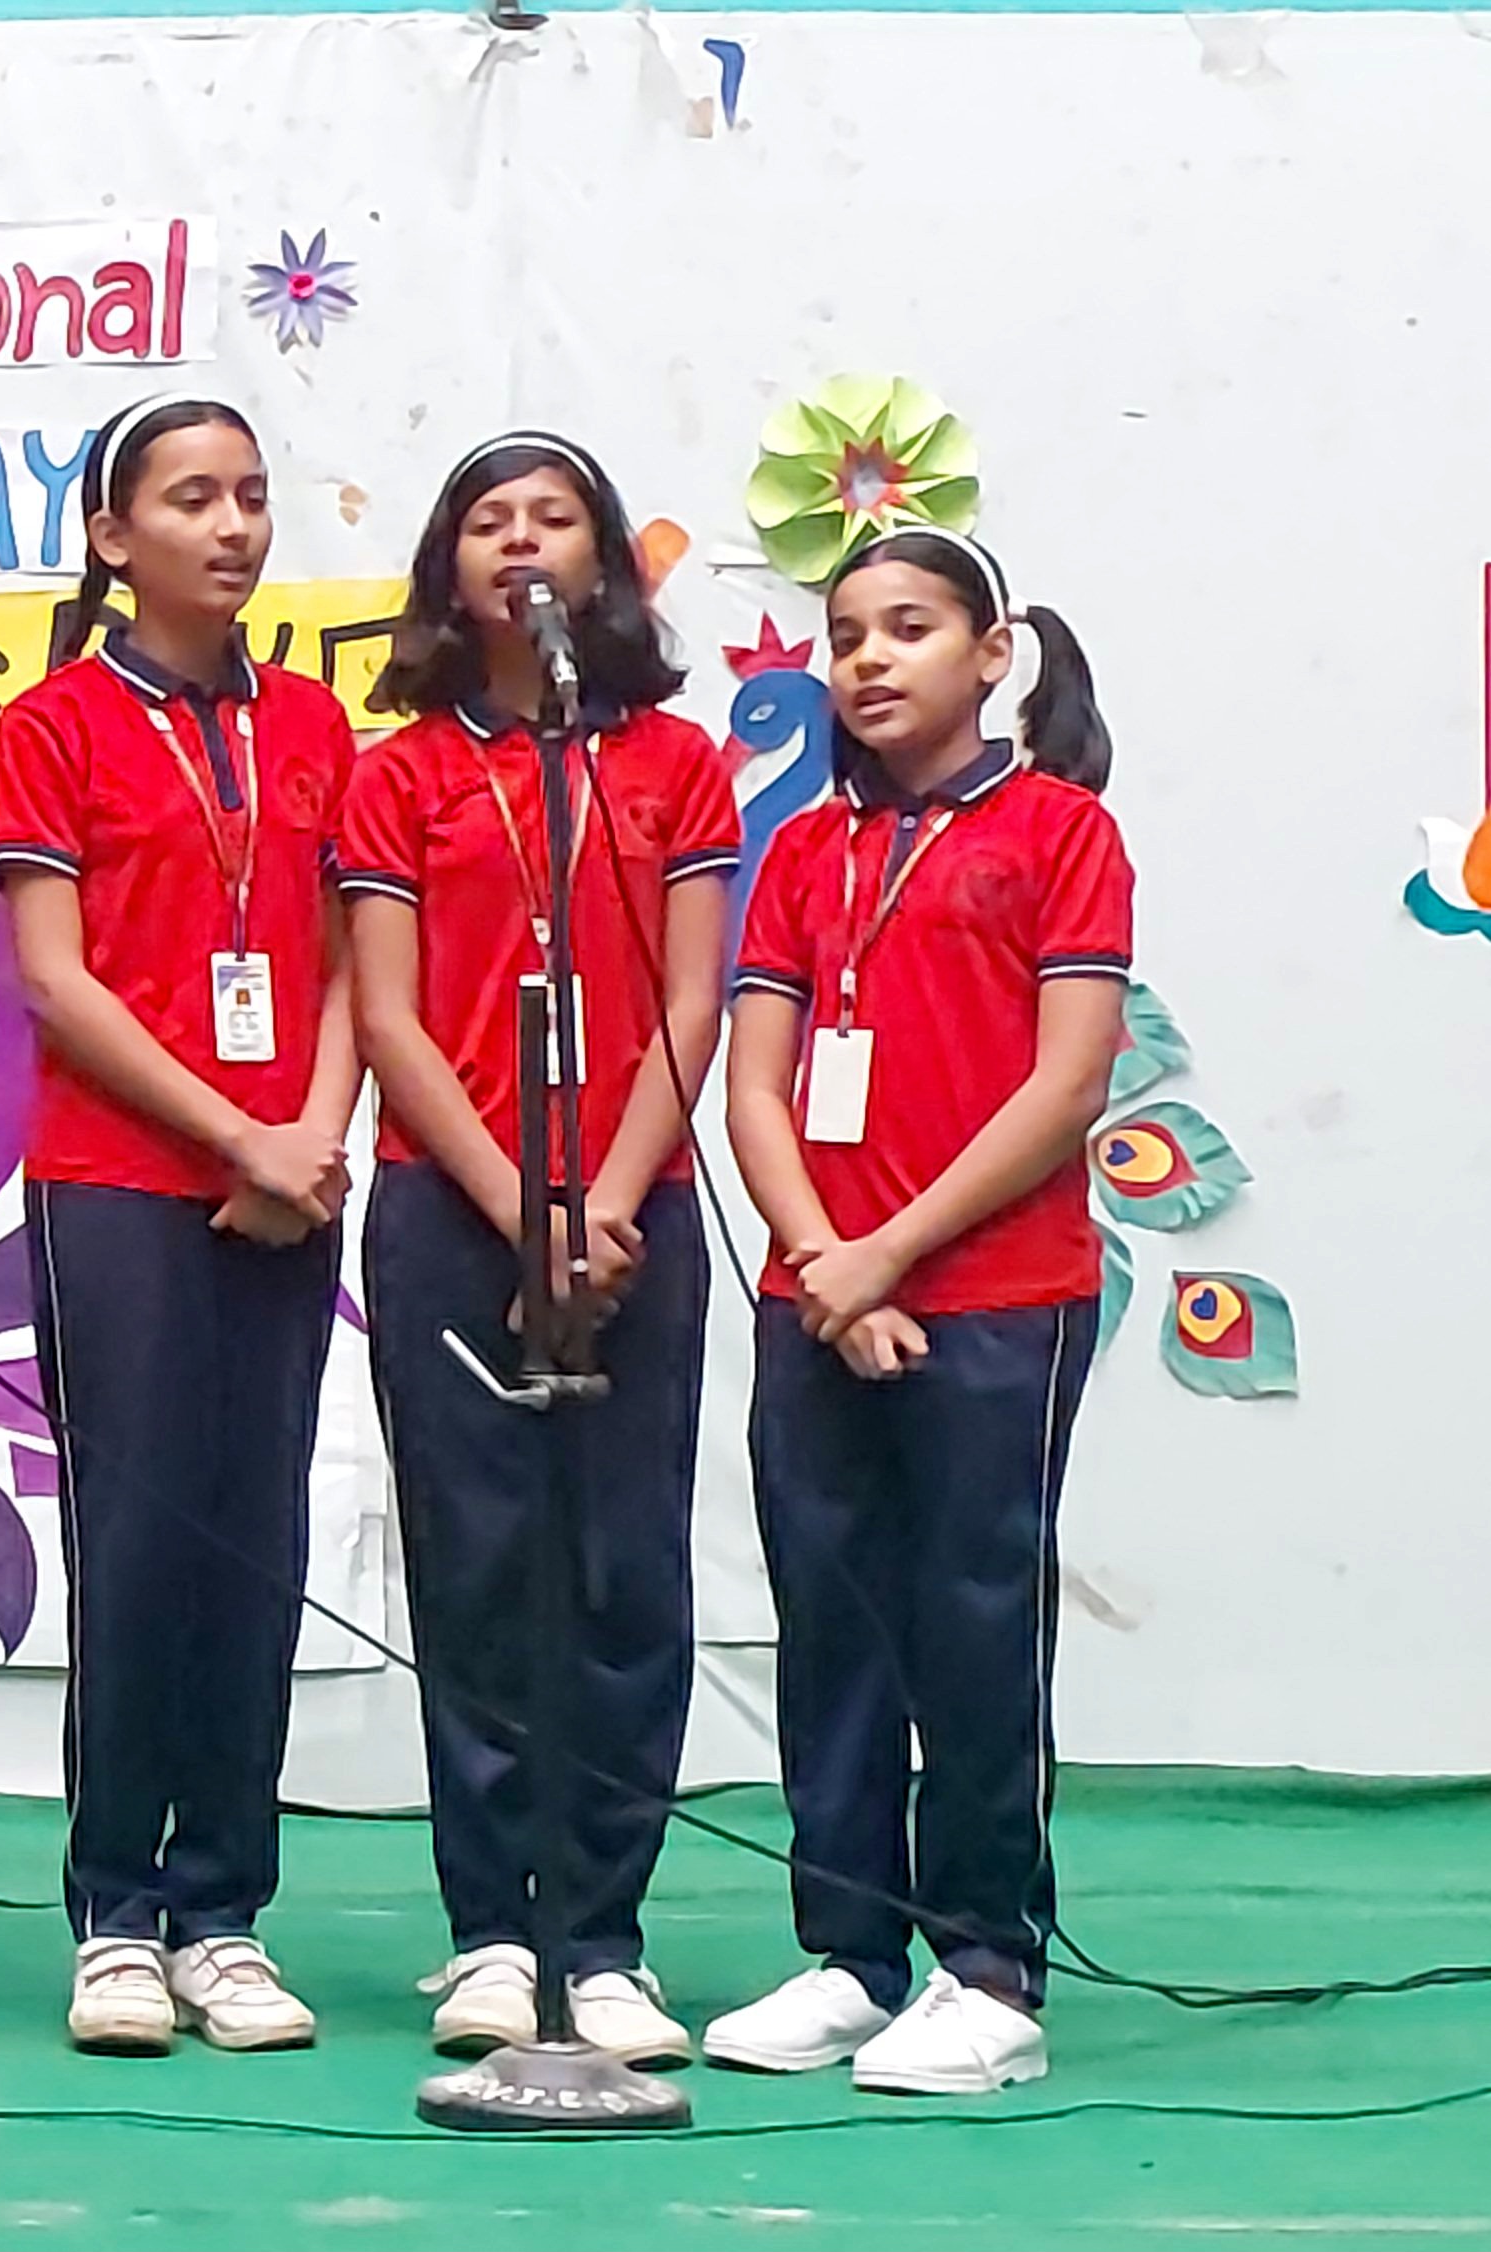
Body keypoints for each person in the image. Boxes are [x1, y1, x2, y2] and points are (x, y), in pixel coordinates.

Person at [704, 530, 1129, 2096]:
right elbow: (755, 1087)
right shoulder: (803, 853)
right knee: (832, 1628)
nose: (869, 660)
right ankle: (848, 1953)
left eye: (908, 629)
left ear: (992, 654)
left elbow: (1066, 1085)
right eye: (846, 636)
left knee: (972, 1626)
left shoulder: (1063, 832)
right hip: (817, 1298)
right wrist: (827, 1264)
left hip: (997, 1301)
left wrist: (888, 1257)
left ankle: (987, 1970)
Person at [336, 430, 741, 2070]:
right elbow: (388, 1016)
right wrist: (526, 1209)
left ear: (601, 562)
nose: (521, 542)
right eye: (489, 521)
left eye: (552, 518)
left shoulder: (675, 765)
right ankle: (494, 1933)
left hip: (636, 1206)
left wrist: (607, 1202)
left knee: (625, 1571)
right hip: (454, 1210)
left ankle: (608, 1933)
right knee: (480, 1568)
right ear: (449, 566)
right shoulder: (400, 773)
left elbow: (692, 999)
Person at [0, 395, 357, 2057]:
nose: (232, 526)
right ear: (111, 535)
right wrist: (236, 1134)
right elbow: (57, 984)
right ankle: (119, 1912)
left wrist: (312, 1136)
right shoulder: (54, 723)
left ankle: (226, 1911)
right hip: (121, 1183)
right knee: (136, 1549)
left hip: (290, 1182)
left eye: (251, 496)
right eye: (192, 498)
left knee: (257, 1540)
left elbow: (354, 966)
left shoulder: (318, 726)